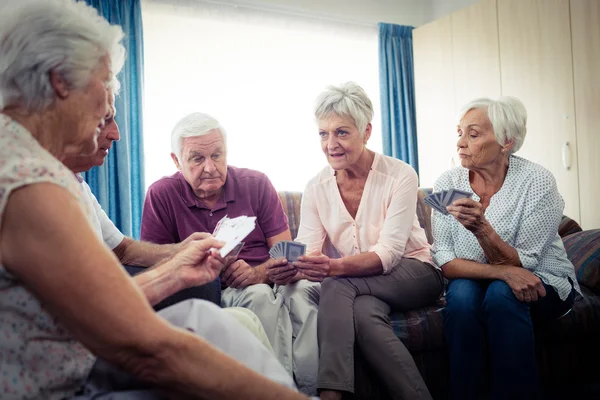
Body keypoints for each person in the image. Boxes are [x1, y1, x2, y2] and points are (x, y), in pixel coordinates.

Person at [0, 1, 307, 399]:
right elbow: (147, 349)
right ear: (61, 80)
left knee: (209, 321)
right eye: (104, 81)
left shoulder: (23, 157)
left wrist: (176, 269)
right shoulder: (29, 181)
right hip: (67, 385)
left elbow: (100, 301)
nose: (110, 115)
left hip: (78, 362)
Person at [140, 112, 320, 395]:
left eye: (217, 155)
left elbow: (287, 252)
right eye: (197, 158)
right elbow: (157, 268)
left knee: (301, 293)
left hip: (268, 278)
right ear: (176, 161)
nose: (210, 167)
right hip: (217, 286)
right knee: (259, 297)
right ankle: (279, 391)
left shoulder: (256, 182)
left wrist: (258, 272)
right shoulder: (161, 194)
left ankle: (313, 389)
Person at [290, 82, 444, 400]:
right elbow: (306, 248)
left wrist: (332, 268)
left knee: (337, 283)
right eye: (323, 133)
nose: (330, 144)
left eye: (342, 133)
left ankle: (332, 393)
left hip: (415, 271)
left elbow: (388, 254)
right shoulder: (316, 187)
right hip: (364, 286)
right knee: (362, 313)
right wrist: (294, 264)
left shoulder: (400, 175)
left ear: (366, 131)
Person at [432, 96, 580, 400]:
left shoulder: (537, 181)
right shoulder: (448, 182)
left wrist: (482, 229)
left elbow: (526, 265)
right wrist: (500, 274)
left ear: (506, 141)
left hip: (543, 281)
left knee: (502, 296)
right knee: (460, 295)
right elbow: (445, 260)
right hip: (477, 281)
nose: (460, 142)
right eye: (459, 133)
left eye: (473, 134)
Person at [63, 91, 222, 308]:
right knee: (202, 285)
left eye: (217, 155)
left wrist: (181, 250)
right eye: (105, 119)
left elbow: (122, 249)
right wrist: (173, 272)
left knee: (205, 284)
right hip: (87, 301)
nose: (116, 134)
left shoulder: (78, 184)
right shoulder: (40, 188)